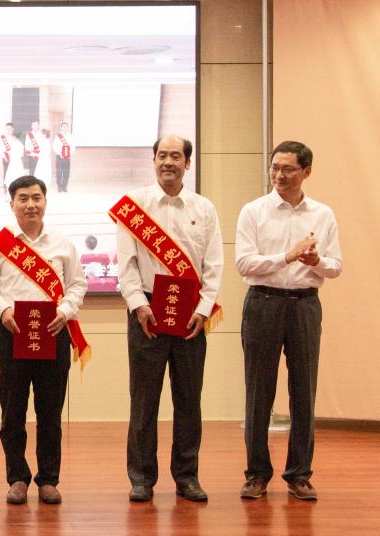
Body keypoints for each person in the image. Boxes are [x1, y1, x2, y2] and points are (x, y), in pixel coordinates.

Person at [115, 135, 223, 503]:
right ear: (154, 160)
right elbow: (126, 263)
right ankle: (142, 477)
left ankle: (187, 476)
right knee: (144, 400)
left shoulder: (204, 208)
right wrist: (137, 305)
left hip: (190, 314)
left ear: (187, 164)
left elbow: (214, 264)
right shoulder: (135, 206)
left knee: (189, 399)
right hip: (147, 310)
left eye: (176, 156)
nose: (168, 162)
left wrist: (203, 309)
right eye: (162, 155)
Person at [235, 141, 342, 502]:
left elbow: (335, 266)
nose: (278, 175)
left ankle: (299, 474)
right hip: (263, 303)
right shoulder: (254, 211)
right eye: (274, 167)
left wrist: (315, 261)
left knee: (303, 391)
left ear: (306, 172)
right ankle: (256, 474)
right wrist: (287, 256)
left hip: (305, 305)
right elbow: (244, 264)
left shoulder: (322, 214)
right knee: (258, 392)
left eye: (287, 169)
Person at [0, 175, 87, 505]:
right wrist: (3, 310)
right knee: (12, 411)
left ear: (45, 202)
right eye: (23, 198)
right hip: (11, 333)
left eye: (36, 198)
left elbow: (77, 285)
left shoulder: (62, 244)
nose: (30, 204)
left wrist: (65, 311)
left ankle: (49, 479)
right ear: (11, 204)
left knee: (50, 411)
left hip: (53, 332)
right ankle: (17, 478)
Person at [54, 122, 73, 193]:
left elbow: (73, 146)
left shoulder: (70, 136)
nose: (65, 128)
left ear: (67, 128)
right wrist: (59, 153)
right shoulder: (58, 136)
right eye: (63, 127)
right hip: (60, 157)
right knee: (59, 172)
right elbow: (54, 146)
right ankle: (59, 187)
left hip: (67, 157)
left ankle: (64, 187)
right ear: (61, 128)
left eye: (66, 127)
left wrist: (70, 154)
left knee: (66, 172)